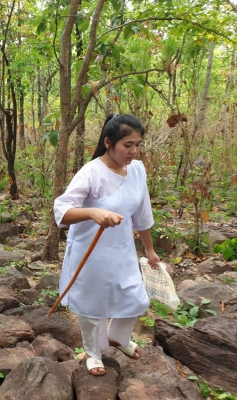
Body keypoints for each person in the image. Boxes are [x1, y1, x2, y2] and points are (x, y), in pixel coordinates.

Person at [53, 114, 160, 376]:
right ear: (109, 143)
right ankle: (92, 352)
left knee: (135, 298)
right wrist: (92, 213)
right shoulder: (92, 172)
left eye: (138, 144)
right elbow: (62, 210)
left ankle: (118, 338)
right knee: (92, 305)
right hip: (90, 252)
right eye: (127, 145)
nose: (133, 151)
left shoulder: (137, 169)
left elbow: (142, 214)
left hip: (122, 248)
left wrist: (149, 250)